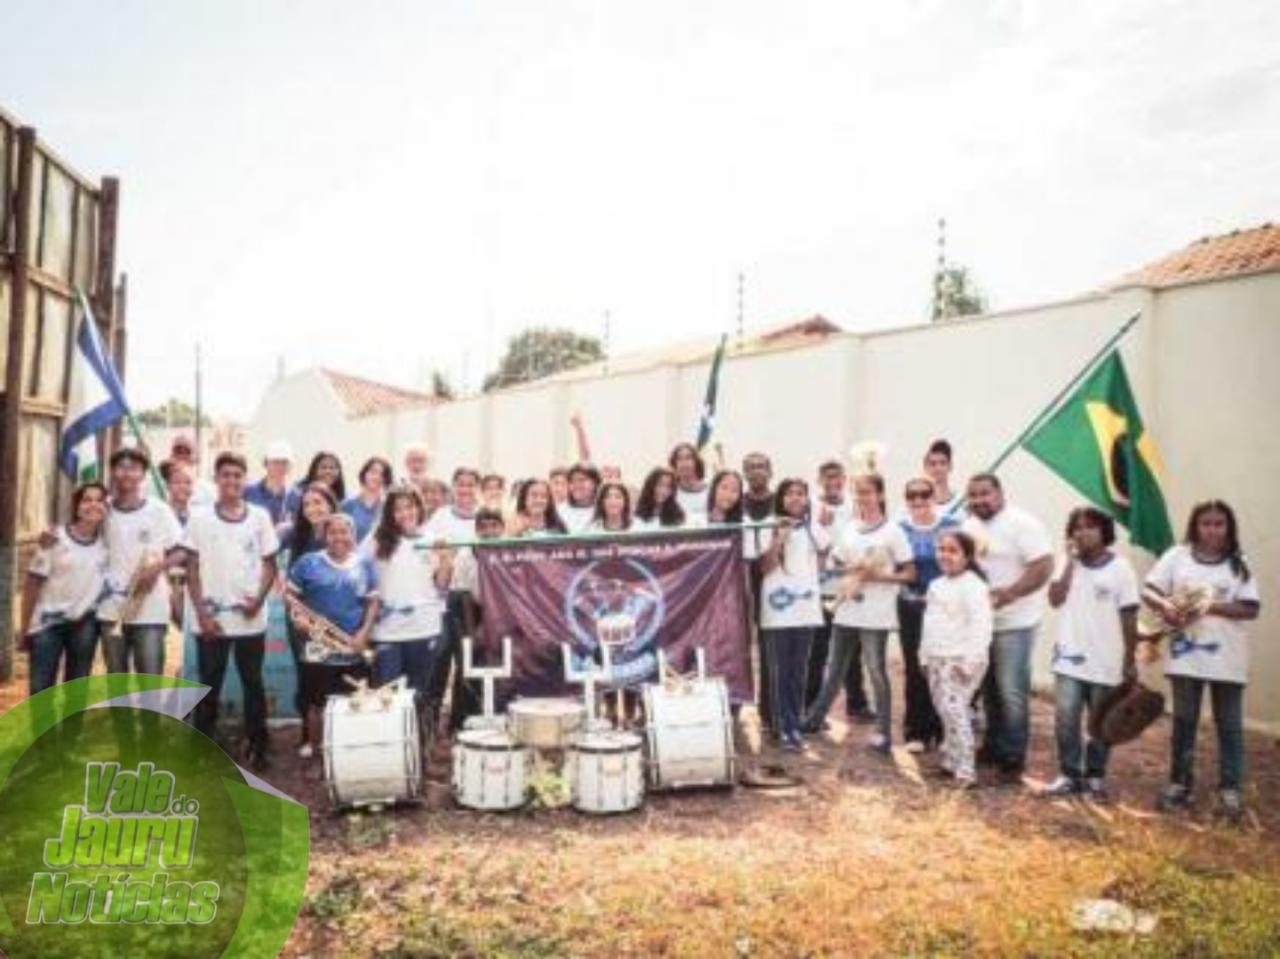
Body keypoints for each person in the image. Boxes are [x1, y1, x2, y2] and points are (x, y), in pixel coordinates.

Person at [1146, 500, 1260, 821]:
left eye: (1219, 523)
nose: (1212, 529)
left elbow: (1251, 608)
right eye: (1205, 523)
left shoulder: (1238, 563)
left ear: (1229, 528)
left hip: (1227, 657)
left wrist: (1206, 606)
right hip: (1186, 655)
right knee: (1184, 722)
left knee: (1230, 726)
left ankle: (1230, 790)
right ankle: (1179, 784)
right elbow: (1150, 590)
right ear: (1195, 526)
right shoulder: (1177, 556)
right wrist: (1165, 605)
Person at [805, 472, 914, 754]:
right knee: (835, 667)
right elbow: (834, 564)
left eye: (867, 492)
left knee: (876, 670)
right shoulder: (852, 527)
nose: (862, 497)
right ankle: (814, 719)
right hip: (847, 607)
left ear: (879, 494)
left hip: (875, 613)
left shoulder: (893, 530)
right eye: (858, 492)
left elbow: (909, 573)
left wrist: (877, 576)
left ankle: (883, 733)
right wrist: (853, 570)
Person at [184, 452, 280, 769]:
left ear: (245, 479)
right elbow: (192, 568)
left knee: (252, 681)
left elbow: (270, 565)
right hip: (212, 620)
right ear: (217, 479)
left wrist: (257, 601)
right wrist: (202, 614)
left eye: (238, 475)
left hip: (250, 617)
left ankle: (259, 747)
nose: (232, 481)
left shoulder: (259, 517)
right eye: (226, 475)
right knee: (209, 682)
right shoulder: (199, 518)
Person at [1042, 507, 1140, 802]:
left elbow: (1129, 615)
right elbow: (1055, 599)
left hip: (1106, 660)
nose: (1082, 532)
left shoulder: (1120, 568)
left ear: (1104, 532)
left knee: (1100, 722)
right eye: (1077, 527)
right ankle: (1069, 774)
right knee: (1065, 718)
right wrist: (1070, 563)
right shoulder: (1067, 563)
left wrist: (1129, 659)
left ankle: (1095, 776)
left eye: (1090, 527)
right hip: (1069, 658)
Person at [962, 473, 1053, 779]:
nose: (979, 500)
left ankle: (1013, 756)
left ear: (999, 493)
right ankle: (993, 745)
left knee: (1011, 691)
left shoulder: (1023, 524)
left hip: (1016, 622)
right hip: (982, 622)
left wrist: (1010, 594)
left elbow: (1043, 567)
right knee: (988, 690)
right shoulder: (969, 526)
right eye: (973, 495)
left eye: (984, 494)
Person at [286, 512, 379, 756]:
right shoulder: (308, 562)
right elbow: (291, 597)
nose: (339, 536)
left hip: (352, 650)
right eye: (333, 532)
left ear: (353, 535)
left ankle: (349, 756)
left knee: (354, 703)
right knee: (317, 705)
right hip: (317, 650)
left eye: (344, 531)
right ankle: (318, 754)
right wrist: (300, 619)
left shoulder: (364, 564)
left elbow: (372, 604)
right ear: (325, 536)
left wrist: (363, 634)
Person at [99, 446, 185, 675]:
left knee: (150, 680)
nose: (126, 473)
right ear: (112, 472)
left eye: (134, 468)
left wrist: (157, 568)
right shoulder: (102, 509)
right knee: (116, 680)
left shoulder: (159, 510)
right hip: (111, 608)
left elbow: (182, 550)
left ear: (143, 474)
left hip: (151, 608)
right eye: (121, 467)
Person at [757, 478, 829, 751]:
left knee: (799, 670)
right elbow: (764, 567)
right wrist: (779, 540)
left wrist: (814, 578)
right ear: (781, 498)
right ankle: (780, 726)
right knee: (779, 670)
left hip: (806, 608)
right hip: (777, 610)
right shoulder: (769, 525)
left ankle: (794, 724)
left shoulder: (814, 527)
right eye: (790, 494)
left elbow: (826, 552)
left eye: (801, 493)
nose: (796, 499)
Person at [367, 485, 452, 711]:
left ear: (419, 508)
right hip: (387, 631)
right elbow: (362, 576)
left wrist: (445, 560)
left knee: (418, 695)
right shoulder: (377, 540)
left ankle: (419, 744)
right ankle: (389, 744)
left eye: (410, 507)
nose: (405, 513)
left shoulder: (433, 539)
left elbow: (441, 585)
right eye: (398, 509)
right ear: (389, 514)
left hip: (424, 629)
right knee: (387, 697)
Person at [19, 482, 109, 694]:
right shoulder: (55, 539)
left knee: (76, 690)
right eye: (87, 499)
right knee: (41, 689)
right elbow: (33, 583)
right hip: (47, 624)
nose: (93, 505)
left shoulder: (108, 544)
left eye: (99, 500)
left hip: (84, 624)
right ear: (77, 506)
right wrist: (25, 628)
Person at [921, 530, 992, 789]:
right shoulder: (936, 585)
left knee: (956, 711)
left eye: (953, 550)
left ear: (967, 556)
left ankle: (966, 770)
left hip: (961, 658)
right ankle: (950, 761)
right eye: (941, 549)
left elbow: (982, 626)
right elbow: (929, 622)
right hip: (937, 656)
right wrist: (924, 655)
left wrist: (971, 661)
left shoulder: (974, 586)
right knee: (944, 711)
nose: (945, 555)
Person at [807, 460, 872, 725]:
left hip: (848, 588)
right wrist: (818, 525)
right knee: (818, 651)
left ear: (844, 479)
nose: (833, 482)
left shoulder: (853, 506)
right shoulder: (811, 506)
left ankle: (856, 704)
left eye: (837, 477)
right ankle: (812, 707)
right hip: (820, 589)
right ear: (819, 479)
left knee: (851, 652)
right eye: (827, 477)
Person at [897, 476, 958, 752]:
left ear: (934, 496)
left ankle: (944, 729)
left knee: (943, 667)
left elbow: (960, 562)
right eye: (912, 496)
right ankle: (916, 731)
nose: (919, 501)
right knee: (915, 667)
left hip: (944, 608)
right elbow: (895, 565)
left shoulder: (951, 526)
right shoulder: (900, 529)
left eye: (924, 494)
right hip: (910, 606)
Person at [279, 482, 340, 756]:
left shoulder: (341, 534)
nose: (313, 508)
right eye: (307, 504)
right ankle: (307, 735)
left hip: (337, 620)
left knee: (333, 674)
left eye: (319, 502)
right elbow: (286, 585)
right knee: (308, 674)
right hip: (303, 621)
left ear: (330, 504)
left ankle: (334, 736)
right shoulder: (296, 537)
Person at [425, 466, 482, 734]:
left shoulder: (485, 516)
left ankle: (460, 724)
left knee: (467, 662)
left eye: (471, 485)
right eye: (461, 484)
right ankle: (431, 723)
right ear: (453, 487)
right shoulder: (440, 516)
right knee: (439, 660)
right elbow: (429, 552)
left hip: (473, 601)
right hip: (442, 597)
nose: (466, 490)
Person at [244, 440, 301, 536]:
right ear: (266, 464)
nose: (280, 467)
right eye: (276, 462)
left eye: (284, 462)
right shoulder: (248, 492)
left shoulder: (297, 496)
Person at [342, 456, 393, 543]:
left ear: (386, 480)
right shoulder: (348, 504)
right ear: (364, 474)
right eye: (373, 472)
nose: (377, 477)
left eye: (382, 474)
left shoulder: (389, 506)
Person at [167, 435, 216, 506]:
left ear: (193, 459)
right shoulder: (161, 488)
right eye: (178, 452)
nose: (181, 457)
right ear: (171, 457)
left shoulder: (208, 490)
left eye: (187, 453)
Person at [923, 439, 964, 519]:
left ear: (950, 466)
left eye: (943, 463)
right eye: (933, 464)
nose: (938, 468)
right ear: (926, 468)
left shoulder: (961, 501)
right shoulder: (918, 503)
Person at [669, 443, 709, 521]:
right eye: (679, 459)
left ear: (696, 462)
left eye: (688, 458)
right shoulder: (670, 493)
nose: (684, 463)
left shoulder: (710, 490)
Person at [560, 463, 602, 533]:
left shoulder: (603, 510)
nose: (577, 485)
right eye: (572, 481)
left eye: (581, 480)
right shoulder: (560, 511)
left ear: (595, 483)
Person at [161, 460, 196, 527]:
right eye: (177, 482)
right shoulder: (160, 513)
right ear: (167, 485)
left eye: (188, 482)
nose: (183, 486)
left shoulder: (199, 515)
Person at [742, 452, 774, 522]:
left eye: (760, 467)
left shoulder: (781, 504)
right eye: (752, 467)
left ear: (770, 472)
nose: (756, 471)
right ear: (745, 474)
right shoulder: (737, 504)